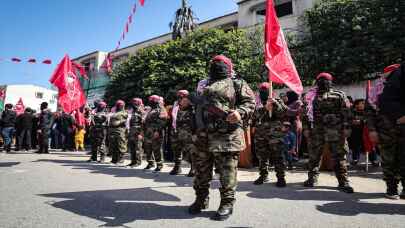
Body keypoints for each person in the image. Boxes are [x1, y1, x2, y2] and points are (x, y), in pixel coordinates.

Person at [189, 55, 255, 221]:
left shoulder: (237, 83)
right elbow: (198, 108)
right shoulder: (203, 84)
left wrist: (239, 113)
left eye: (221, 64)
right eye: (213, 64)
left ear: (229, 67)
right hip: (203, 135)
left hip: (226, 135)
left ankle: (227, 203)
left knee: (226, 173)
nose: (217, 66)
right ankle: (201, 199)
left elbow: (250, 103)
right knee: (201, 171)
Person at [303, 72, 354, 193]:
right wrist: (305, 128)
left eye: (326, 80)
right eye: (320, 80)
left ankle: (343, 182)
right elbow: (304, 114)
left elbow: (347, 113)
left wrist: (347, 127)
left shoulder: (339, 94)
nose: (323, 82)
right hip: (316, 131)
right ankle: (312, 179)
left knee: (339, 156)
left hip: (335, 131)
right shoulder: (310, 96)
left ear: (331, 82)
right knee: (314, 156)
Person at [367, 63, 405, 200]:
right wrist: (372, 130)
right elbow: (370, 113)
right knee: (389, 161)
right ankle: (392, 189)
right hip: (385, 132)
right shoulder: (377, 91)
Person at [251, 82, 288, 186]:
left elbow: (283, 113)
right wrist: (264, 108)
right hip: (261, 133)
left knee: (278, 155)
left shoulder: (278, 101)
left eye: (265, 91)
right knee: (262, 156)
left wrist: (275, 104)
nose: (263, 93)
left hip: (275, 133)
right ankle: (263, 175)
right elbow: (253, 116)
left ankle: (281, 177)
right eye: (261, 91)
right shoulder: (256, 102)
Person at [170, 90, 196, 176]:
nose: (180, 98)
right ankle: (177, 167)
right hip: (176, 131)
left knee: (191, 150)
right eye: (179, 96)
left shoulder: (192, 106)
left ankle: (193, 169)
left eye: (182, 96)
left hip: (188, 132)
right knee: (176, 149)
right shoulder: (176, 105)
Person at [143, 95, 168, 171]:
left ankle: (159, 164)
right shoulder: (151, 109)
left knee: (156, 149)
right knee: (148, 148)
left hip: (156, 132)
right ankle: (150, 163)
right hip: (148, 132)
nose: (150, 102)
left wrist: (158, 131)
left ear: (156, 101)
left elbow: (163, 121)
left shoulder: (161, 109)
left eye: (152, 100)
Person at [108, 100, 128, 164]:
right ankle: (114, 159)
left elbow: (126, 121)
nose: (119, 106)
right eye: (118, 105)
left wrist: (118, 122)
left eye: (120, 105)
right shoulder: (115, 112)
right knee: (114, 145)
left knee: (121, 145)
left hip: (120, 130)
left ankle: (121, 159)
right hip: (113, 130)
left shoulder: (124, 113)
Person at [127, 98, 145, 168]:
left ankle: (138, 162)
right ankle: (133, 161)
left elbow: (143, 123)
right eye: (133, 102)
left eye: (135, 102)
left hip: (138, 131)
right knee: (132, 147)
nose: (133, 103)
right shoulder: (131, 111)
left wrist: (141, 133)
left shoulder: (141, 111)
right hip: (131, 130)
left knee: (138, 147)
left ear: (139, 103)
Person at [348, 99, 366, 165]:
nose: (363, 105)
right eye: (362, 103)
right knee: (356, 145)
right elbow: (348, 119)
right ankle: (355, 159)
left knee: (370, 146)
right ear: (356, 105)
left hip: (365, 131)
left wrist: (361, 122)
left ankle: (374, 160)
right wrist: (352, 122)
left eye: (364, 103)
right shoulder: (351, 111)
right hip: (355, 132)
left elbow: (369, 119)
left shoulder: (367, 111)